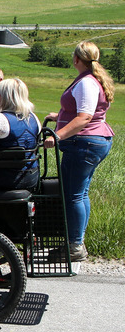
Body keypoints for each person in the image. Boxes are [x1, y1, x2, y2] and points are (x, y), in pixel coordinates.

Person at [43, 41, 115, 262]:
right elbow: (84, 111)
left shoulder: (86, 83)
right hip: (94, 141)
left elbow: (85, 117)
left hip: (84, 144)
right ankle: (77, 242)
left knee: (73, 195)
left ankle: (74, 246)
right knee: (81, 193)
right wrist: (62, 115)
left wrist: (57, 136)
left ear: (76, 59)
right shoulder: (92, 80)